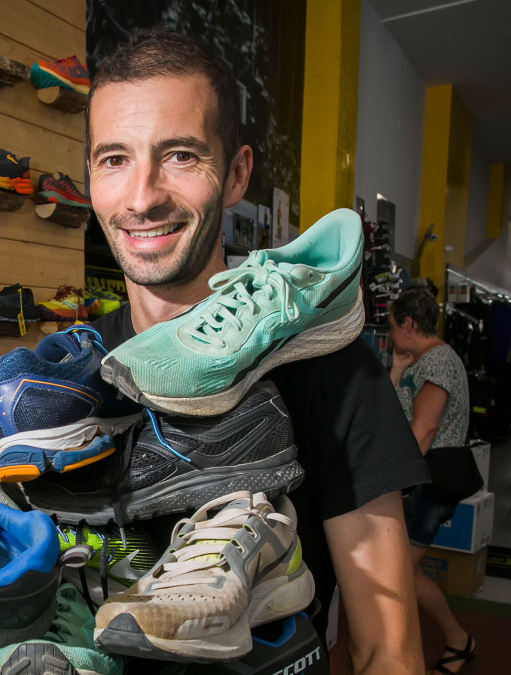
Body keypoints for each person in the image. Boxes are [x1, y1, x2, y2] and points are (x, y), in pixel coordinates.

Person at [84, 28, 428, 674]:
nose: (141, 196)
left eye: (180, 155)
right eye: (114, 159)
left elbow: (389, 649)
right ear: (90, 179)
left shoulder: (331, 369)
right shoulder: (66, 373)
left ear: (237, 173)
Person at [389, 289, 478, 674]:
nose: (391, 335)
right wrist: (396, 369)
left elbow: (424, 428)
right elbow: (396, 413)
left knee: (401, 574)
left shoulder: (439, 362)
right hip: (421, 480)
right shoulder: (422, 362)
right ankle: (454, 641)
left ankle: (457, 641)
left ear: (409, 325)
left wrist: (398, 479)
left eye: (393, 327)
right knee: (401, 572)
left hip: (428, 482)